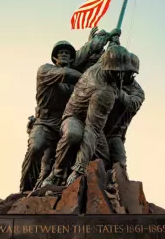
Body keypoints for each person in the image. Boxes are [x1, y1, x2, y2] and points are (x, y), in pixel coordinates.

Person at [19, 29, 116, 192]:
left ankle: (63, 182)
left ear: (72, 58)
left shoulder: (77, 80)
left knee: (76, 144)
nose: (64, 55)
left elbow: (95, 64)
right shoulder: (45, 70)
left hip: (65, 121)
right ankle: (25, 190)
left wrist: (105, 43)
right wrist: (90, 76)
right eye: (60, 52)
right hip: (44, 123)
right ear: (55, 57)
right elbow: (66, 73)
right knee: (36, 147)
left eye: (67, 53)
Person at [42, 43, 138, 187]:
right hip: (74, 117)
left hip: (95, 125)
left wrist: (113, 43)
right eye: (122, 71)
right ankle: (56, 173)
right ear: (115, 70)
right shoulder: (104, 92)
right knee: (73, 134)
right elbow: (91, 130)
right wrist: (79, 169)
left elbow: (93, 129)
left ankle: (103, 185)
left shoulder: (103, 68)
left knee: (105, 160)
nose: (124, 75)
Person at [104, 53, 145, 171]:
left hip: (115, 133)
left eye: (125, 71)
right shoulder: (108, 78)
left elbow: (133, 104)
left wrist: (118, 90)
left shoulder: (138, 91)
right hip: (97, 127)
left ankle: (115, 185)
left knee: (120, 162)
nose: (121, 72)